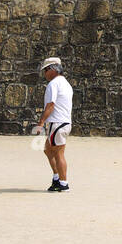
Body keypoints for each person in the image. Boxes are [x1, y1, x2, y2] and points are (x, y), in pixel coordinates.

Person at [34, 57, 73, 192]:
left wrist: (40, 123)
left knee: (59, 153)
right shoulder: (66, 83)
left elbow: (51, 105)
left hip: (57, 123)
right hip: (63, 123)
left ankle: (63, 183)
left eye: (45, 70)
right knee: (47, 149)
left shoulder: (53, 84)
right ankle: (57, 178)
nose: (44, 74)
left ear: (52, 69)